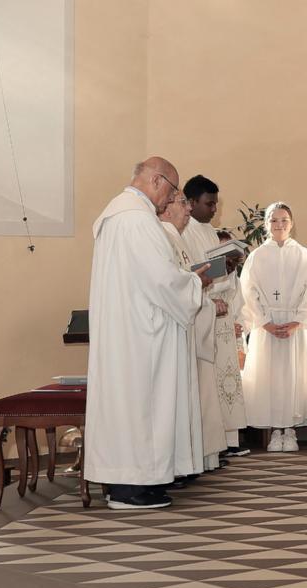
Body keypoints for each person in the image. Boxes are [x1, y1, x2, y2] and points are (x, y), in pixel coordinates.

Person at [85, 157, 208, 510]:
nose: (169, 201)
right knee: (140, 407)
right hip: (141, 334)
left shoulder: (119, 216)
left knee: (134, 407)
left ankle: (141, 481)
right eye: (171, 192)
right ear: (156, 180)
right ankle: (128, 487)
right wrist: (195, 282)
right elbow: (163, 279)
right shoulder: (136, 220)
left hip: (130, 327)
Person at [242, 202, 307, 452]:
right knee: (270, 378)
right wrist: (264, 322)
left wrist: (297, 322)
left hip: (293, 328)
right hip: (266, 327)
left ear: (292, 223)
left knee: (292, 376)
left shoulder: (303, 255)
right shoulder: (257, 256)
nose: (279, 225)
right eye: (274, 221)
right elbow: (247, 290)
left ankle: (291, 430)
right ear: (266, 225)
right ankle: (275, 431)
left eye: (284, 220)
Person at [183, 175, 250, 460]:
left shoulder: (210, 232)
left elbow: (215, 276)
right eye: (209, 204)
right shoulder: (183, 231)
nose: (214, 210)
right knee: (206, 387)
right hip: (202, 314)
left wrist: (229, 267)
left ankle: (220, 445)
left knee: (220, 384)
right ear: (191, 202)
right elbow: (189, 276)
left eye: (215, 204)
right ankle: (208, 449)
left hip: (217, 315)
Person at [159, 192, 220, 476]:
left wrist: (204, 297)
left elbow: (184, 287)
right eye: (182, 203)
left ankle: (187, 464)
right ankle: (177, 467)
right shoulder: (163, 236)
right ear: (165, 209)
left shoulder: (177, 238)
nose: (187, 209)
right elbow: (170, 290)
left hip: (184, 333)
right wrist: (201, 291)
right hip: (170, 335)